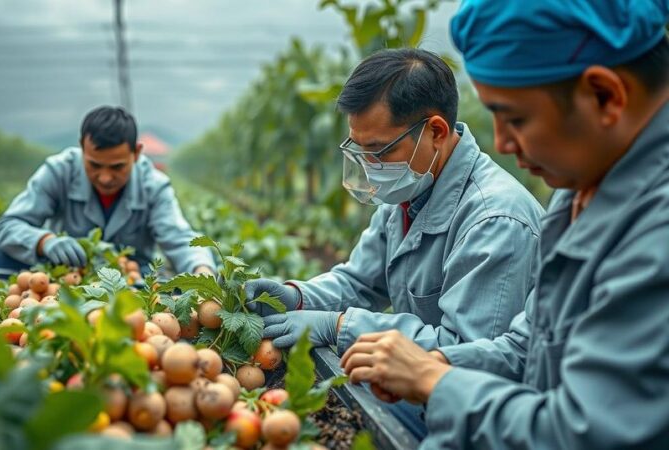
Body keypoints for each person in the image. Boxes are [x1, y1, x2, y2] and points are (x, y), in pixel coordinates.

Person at [341, 1, 669, 448]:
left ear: (606, 96)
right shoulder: (576, 193)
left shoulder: (653, 233)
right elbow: (525, 347)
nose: (501, 142)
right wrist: (433, 364)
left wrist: (438, 382)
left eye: (515, 118)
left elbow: (586, 432)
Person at [246, 48, 543, 356]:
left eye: (379, 150)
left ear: (436, 132)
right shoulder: (409, 191)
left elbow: (467, 353)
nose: (371, 167)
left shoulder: (495, 220)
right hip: (417, 386)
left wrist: (339, 327)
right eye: (360, 151)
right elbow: (361, 282)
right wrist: (297, 298)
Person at [0, 106, 215, 276]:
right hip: (70, 273)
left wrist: (201, 270)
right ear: (82, 147)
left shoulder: (153, 185)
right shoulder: (59, 171)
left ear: (136, 153)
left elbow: (179, 238)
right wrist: (44, 241)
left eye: (117, 167)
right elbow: (7, 227)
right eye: (94, 165)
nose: (105, 178)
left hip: (131, 277)